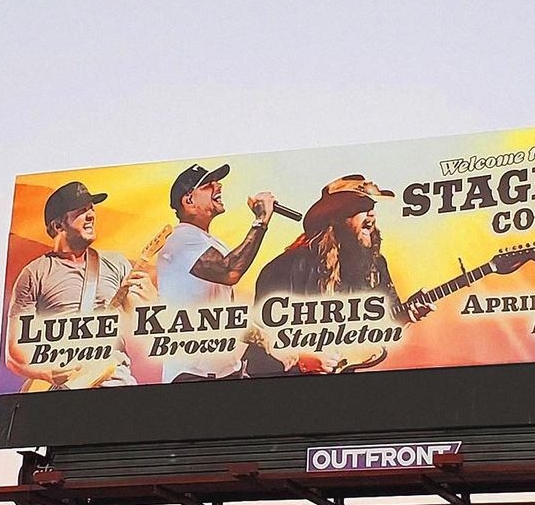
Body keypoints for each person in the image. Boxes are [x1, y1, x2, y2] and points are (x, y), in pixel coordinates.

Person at [248, 174, 432, 375]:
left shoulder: (375, 265)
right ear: (335, 217)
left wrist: (404, 316)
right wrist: (301, 358)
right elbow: (254, 331)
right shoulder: (289, 266)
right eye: (361, 207)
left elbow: (383, 322)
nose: (371, 214)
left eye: (372, 206)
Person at [6, 180, 151, 388]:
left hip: (114, 382)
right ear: (58, 226)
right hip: (66, 389)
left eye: (91, 209)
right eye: (81, 211)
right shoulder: (34, 274)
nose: (91, 215)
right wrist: (46, 373)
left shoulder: (117, 263)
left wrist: (150, 300)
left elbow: (143, 330)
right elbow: (14, 354)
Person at [156, 163, 277, 382]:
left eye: (216, 182)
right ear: (188, 200)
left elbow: (220, 310)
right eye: (207, 185)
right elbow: (230, 271)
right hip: (191, 374)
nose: (218, 186)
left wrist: (260, 336)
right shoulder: (179, 238)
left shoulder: (211, 243)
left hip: (226, 371)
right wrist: (260, 221)